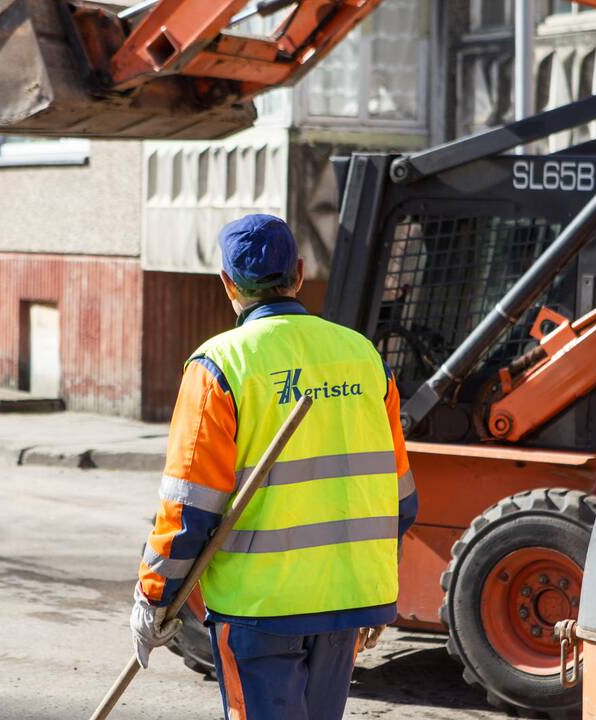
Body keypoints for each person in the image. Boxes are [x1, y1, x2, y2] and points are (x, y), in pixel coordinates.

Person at [131, 214, 418, 720]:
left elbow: (188, 509)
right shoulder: (364, 357)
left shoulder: (220, 365)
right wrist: (375, 592)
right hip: (348, 599)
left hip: (260, 610)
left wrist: (154, 598)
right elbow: (399, 499)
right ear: (300, 274)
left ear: (226, 282)